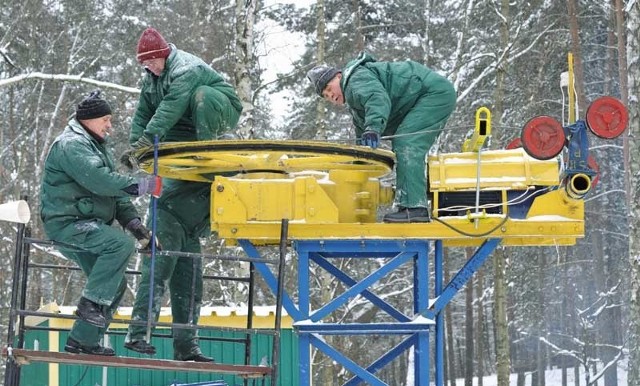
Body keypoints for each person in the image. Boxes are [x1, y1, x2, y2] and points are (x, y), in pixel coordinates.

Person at [123, 27, 242, 362]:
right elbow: (143, 117)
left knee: (203, 97)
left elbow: (172, 106)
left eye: (154, 63)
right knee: (177, 278)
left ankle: (185, 345)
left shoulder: (186, 69)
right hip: (171, 214)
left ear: (165, 54)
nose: (152, 69)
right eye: (146, 65)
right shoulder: (151, 79)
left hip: (211, 110)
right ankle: (150, 337)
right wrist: (137, 149)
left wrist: (149, 141)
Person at [40, 90, 161, 356]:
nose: (110, 125)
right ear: (90, 119)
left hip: (91, 226)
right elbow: (101, 181)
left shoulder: (95, 147)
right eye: (106, 119)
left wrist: (137, 227)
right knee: (119, 245)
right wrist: (142, 185)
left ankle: (82, 341)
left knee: (115, 284)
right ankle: (89, 306)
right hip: (69, 224)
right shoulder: (72, 144)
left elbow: (112, 194)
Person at [307, 52, 457, 223]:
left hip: (433, 93)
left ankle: (414, 208)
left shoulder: (356, 80)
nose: (330, 96)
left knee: (407, 143)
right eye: (326, 96)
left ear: (339, 76)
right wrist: (358, 162)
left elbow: (377, 99)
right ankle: (409, 204)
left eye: (328, 88)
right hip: (423, 97)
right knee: (403, 141)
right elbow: (360, 142)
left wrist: (373, 128)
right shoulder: (356, 106)